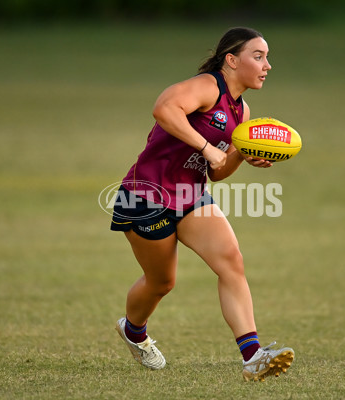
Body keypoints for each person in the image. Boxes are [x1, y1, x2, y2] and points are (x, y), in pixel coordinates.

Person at [110, 27, 294, 382]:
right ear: (231, 59)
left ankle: (253, 356)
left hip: (190, 196)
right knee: (161, 282)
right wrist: (207, 146)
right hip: (146, 196)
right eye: (258, 56)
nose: (267, 65)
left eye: (267, 57)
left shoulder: (242, 110)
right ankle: (134, 331)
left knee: (231, 262)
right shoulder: (209, 86)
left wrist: (242, 154)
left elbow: (217, 172)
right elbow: (164, 108)